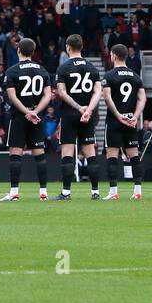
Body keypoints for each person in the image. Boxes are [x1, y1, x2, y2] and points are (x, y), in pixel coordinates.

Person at [1, 37, 53, 200]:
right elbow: (48, 95)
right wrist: (35, 111)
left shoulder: (12, 71)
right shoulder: (42, 70)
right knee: (39, 154)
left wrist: (26, 112)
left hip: (19, 117)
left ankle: (14, 192)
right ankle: (43, 192)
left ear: (18, 51)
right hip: (37, 117)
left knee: (15, 153)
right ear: (33, 52)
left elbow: (12, 96)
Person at [54, 34, 103, 200]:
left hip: (69, 114)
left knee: (67, 152)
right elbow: (98, 92)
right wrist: (88, 110)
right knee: (90, 152)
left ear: (68, 47)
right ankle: (95, 192)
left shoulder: (63, 68)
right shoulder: (92, 68)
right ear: (81, 47)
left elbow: (61, 92)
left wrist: (78, 108)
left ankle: (66, 192)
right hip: (87, 116)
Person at [101, 43, 145, 200]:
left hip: (114, 121)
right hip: (130, 121)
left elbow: (107, 97)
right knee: (134, 156)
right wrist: (135, 116)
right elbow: (142, 98)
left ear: (113, 55)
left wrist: (118, 115)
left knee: (112, 156)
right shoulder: (135, 76)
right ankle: (138, 190)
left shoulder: (109, 75)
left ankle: (113, 192)